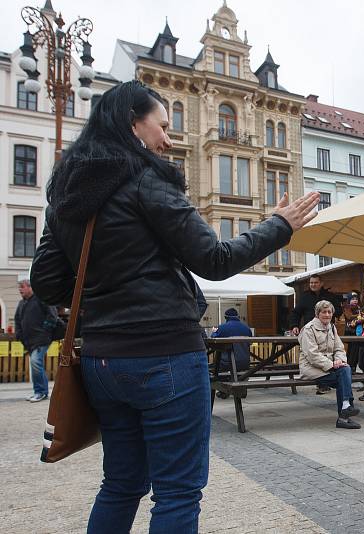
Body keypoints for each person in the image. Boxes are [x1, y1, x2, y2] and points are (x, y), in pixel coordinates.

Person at [29, 80, 319, 533]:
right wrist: (279, 226)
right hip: (163, 354)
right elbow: (215, 260)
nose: (168, 137)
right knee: (178, 493)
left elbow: (46, 281)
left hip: (102, 362)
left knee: (121, 485)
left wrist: (105, 301)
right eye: (162, 125)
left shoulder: (66, 195)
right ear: (132, 122)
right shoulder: (145, 180)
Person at [298, 300, 361, 429]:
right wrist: (332, 364)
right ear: (317, 314)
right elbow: (312, 356)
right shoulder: (308, 329)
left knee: (345, 369)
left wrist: (339, 361)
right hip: (312, 369)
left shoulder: (332, 327)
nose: (327, 315)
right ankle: (344, 414)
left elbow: (339, 348)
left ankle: (345, 409)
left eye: (329, 312)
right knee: (342, 378)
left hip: (329, 368)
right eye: (324, 312)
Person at [289, 274, 342, 395]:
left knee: (327, 354)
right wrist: (294, 325)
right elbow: (296, 312)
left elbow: (338, 310)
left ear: (321, 283)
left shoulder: (329, 297)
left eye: (315, 282)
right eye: (311, 283)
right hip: (310, 331)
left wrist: (329, 315)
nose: (313, 284)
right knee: (314, 354)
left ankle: (328, 387)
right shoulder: (305, 297)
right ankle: (324, 384)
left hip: (327, 330)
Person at [14, 279, 57, 402]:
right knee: (35, 364)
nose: (20, 289)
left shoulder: (41, 299)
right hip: (29, 341)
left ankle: (41, 392)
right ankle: (39, 391)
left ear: (30, 288)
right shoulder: (22, 304)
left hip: (41, 339)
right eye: (19, 287)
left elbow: (52, 315)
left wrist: (44, 331)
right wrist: (19, 335)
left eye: (22, 287)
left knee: (35, 362)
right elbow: (17, 321)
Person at [211, 308, 252, 399]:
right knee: (238, 370)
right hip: (245, 362)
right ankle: (241, 387)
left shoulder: (222, 328)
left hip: (227, 363)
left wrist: (214, 332)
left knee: (215, 370)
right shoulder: (247, 328)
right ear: (238, 317)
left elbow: (214, 341)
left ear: (226, 317)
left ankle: (224, 391)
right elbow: (250, 343)